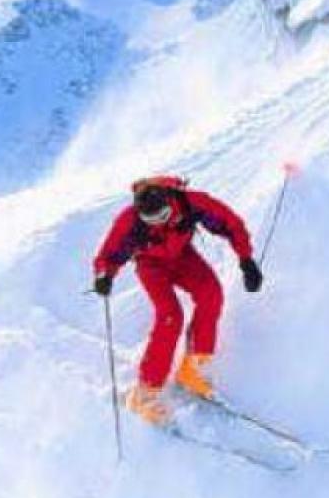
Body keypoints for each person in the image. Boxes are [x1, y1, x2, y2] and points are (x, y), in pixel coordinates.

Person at [91, 176, 262, 425]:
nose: (158, 223)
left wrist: (246, 260)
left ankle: (193, 368)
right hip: (150, 265)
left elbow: (230, 223)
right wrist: (104, 275)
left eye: (163, 216)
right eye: (150, 220)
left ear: (170, 202)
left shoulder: (190, 202)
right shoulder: (130, 220)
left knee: (211, 293)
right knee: (171, 316)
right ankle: (145, 391)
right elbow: (109, 254)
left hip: (183, 256)